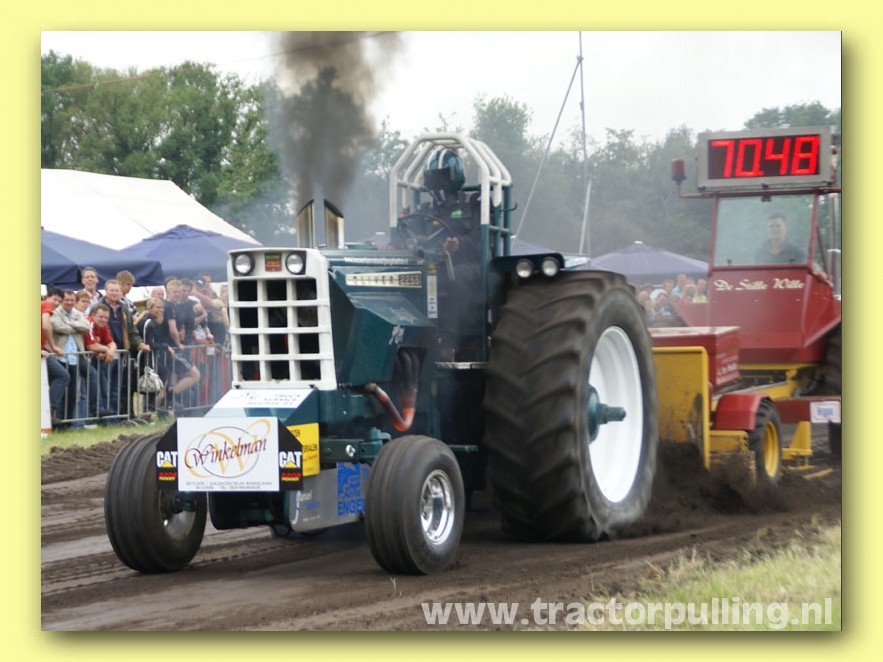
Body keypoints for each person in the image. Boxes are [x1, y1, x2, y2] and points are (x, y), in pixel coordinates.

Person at [417, 147, 483, 360]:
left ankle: (447, 342)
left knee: (456, 276)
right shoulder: (423, 209)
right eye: (434, 177)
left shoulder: (474, 205)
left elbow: (483, 244)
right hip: (432, 265)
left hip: (471, 265)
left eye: (442, 177)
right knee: (415, 276)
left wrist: (459, 245)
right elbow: (410, 236)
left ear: (455, 176)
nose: (438, 182)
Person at [138, 297, 200, 411]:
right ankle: (152, 409)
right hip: (151, 359)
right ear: (150, 308)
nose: (160, 310)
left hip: (158, 357)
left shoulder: (155, 321)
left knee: (162, 382)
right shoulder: (148, 322)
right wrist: (167, 346)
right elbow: (149, 343)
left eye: (161, 308)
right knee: (158, 383)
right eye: (157, 307)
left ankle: (157, 408)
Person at [99, 279, 150, 416]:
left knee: (118, 387)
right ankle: (105, 418)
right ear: (106, 291)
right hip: (105, 353)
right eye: (111, 290)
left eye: (117, 290)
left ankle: (116, 416)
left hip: (122, 353)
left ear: (120, 292)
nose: (114, 293)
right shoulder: (99, 307)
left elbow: (131, 330)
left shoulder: (124, 309)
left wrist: (140, 343)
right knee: (105, 387)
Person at [51, 290, 98, 426]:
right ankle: (57, 423)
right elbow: (58, 327)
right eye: (67, 300)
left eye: (72, 300)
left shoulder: (77, 313)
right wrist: (75, 326)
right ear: (62, 300)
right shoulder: (55, 312)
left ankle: (67, 423)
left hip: (74, 358)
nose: (69, 302)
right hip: (60, 357)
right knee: (61, 394)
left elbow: (86, 326)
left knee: (72, 394)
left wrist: (68, 323)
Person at [41, 288, 70, 426]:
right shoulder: (45, 304)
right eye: (54, 299)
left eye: (59, 301)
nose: (56, 303)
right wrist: (53, 346)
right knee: (62, 376)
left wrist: (44, 347)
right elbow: (46, 326)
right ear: (47, 297)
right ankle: (49, 410)